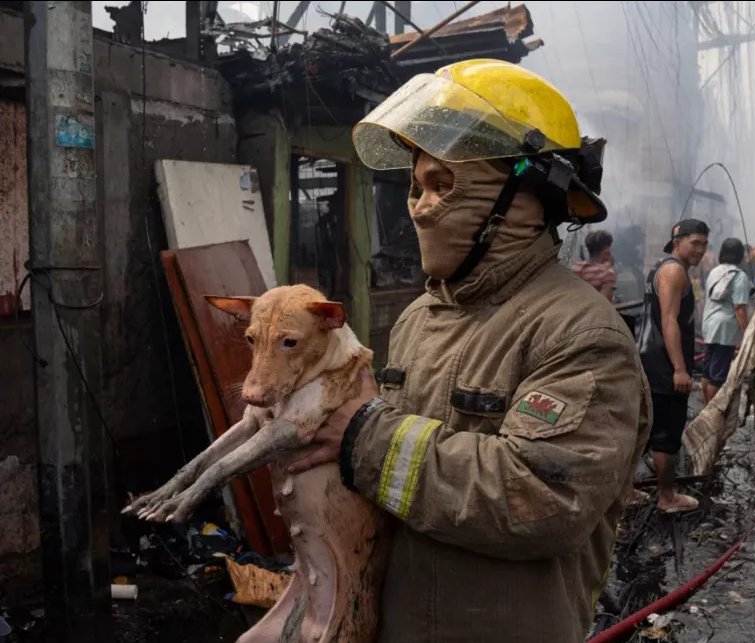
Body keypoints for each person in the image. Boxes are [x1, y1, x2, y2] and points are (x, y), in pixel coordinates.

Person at [287, 59, 651, 641]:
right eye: (416, 186)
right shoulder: (417, 319)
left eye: (443, 185)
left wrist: (362, 436)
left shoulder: (580, 334)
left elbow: (541, 495)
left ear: (525, 195)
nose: (420, 207)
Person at [640, 218, 709, 513]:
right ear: (677, 240)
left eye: (704, 244)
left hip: (649, 360)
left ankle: (624, 492)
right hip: (663, 365)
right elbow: (669, 321)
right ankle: (667, 498)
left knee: (642, 428)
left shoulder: (663, 267)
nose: (701, 250)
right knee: (666, 434)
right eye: (695, 243)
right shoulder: (673, 271)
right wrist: (680, 369)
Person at [701, 238, 753, 403]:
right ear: (740, 255)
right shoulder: (740, 276)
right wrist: (747, 333)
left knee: (707, 372)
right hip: (725, 330)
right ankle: (713, 411)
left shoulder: (714, 272)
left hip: (709, 324)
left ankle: (706, 408)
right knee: (718, 375)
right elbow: (739, 308)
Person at [573, 229, 617, 302]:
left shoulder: (576, 268)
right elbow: (604, 305)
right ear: (606, 252)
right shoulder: (607, 273)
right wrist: (610, 269)